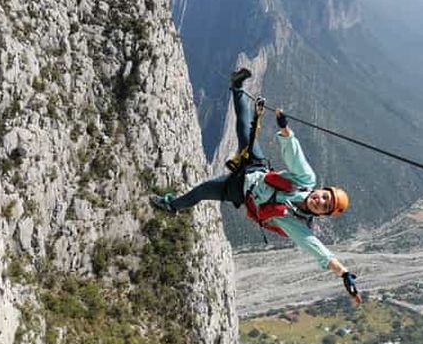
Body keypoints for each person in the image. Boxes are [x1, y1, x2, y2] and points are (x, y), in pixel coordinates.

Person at [151, 68, 361, 304]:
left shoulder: (296, 224)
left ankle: (171, 206)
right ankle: (237, 87)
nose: (320, 201)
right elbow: (294, 155)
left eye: (324, 206)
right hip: (257, 169)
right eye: (324, 197)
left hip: (240, 189)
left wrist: (342, 272)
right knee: (244, 127)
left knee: (201, 192)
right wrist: (284, 128)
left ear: (321, 214)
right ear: (322, 190)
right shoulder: (306, 181)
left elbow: (318, 250)